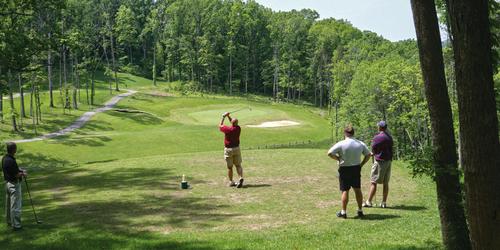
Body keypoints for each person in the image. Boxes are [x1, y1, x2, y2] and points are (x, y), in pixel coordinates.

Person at [327, 125, 371, 218]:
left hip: (344, 169)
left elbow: (329, 153)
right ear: (353, 133)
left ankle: (343, 212)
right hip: (356, 168)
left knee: (345, 190)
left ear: (345, 133)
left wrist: (338, 158)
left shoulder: (341, 143)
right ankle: (360, 210)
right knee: (357, 189)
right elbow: (368, 155)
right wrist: (362, 164)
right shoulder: (360, 143)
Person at [364, 121, 394, 208]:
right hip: (388, 161)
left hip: (380, 162)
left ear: (380, 127)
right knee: (385, 183)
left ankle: (369, 201)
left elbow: (373, 149)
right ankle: (384, 203)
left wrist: (374, 153)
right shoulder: (389, 137)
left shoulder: (377, 137)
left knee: (374, 182)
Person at [2, 142, 27, 230]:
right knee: (16, 205)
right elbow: (16, 175)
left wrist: (20, 170)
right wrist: (23, 174)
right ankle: (16, 225)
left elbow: (13, 170)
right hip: (14, 184)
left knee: (9, 205)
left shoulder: (5, 158)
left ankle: (9, 222)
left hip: (8, 183)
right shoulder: (11, 160)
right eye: (15, 148)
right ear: (14, 150)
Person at [219, 112, 244, 188]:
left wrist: (223, 117)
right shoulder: (238, 128)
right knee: (238, 165)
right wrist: (228, 116)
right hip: (237, 149)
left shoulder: (228, 129)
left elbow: (220, 126)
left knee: (230, 167)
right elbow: (233, 122)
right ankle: (240, 177)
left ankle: (231, 182)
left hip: (229, 150)